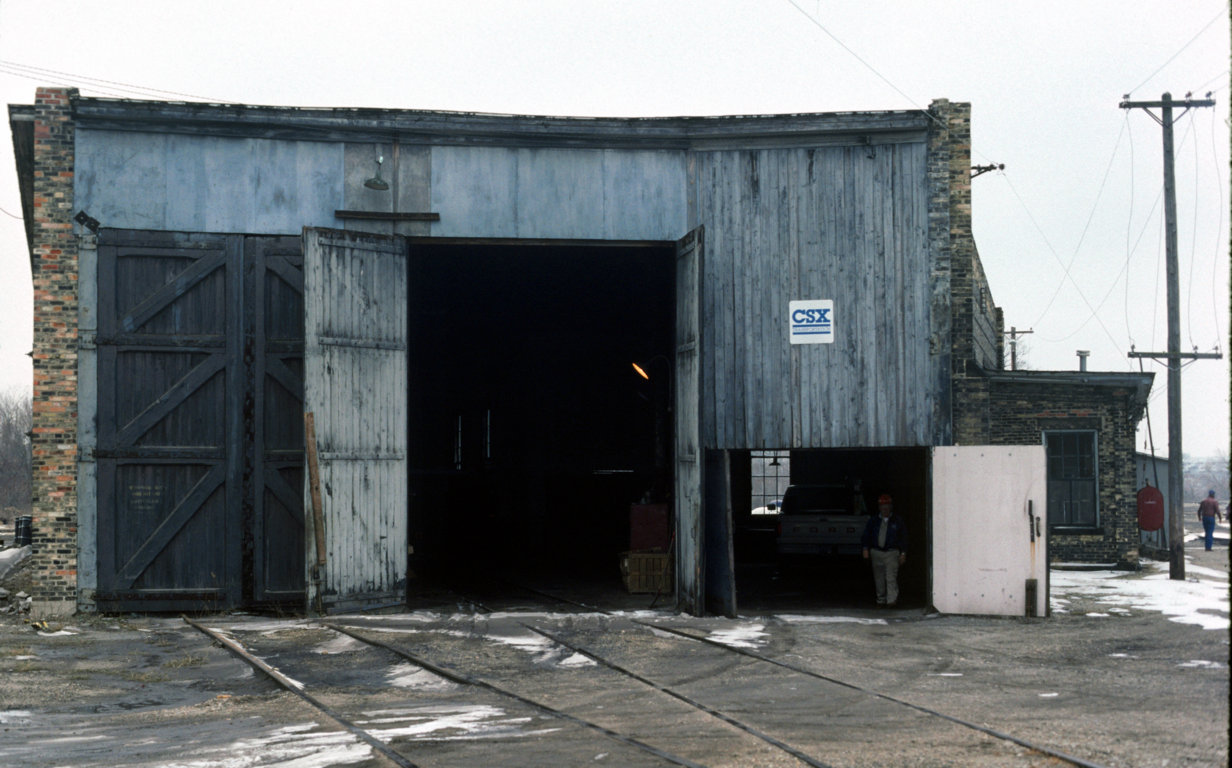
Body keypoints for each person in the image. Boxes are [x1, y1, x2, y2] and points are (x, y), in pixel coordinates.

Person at [861, 493, 907, 607]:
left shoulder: (897, 521)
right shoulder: (873, 521)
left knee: (891, 577)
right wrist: (865, 549)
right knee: (879, 578)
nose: (885, 508)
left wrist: (903, 552)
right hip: (876, 552)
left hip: (892, 553)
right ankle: (881, 600)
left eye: (887, 505)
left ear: (891, 506)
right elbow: (866, 535)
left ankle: (891, 600)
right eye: (882, 506)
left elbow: (903, 537)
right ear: (879, 507)